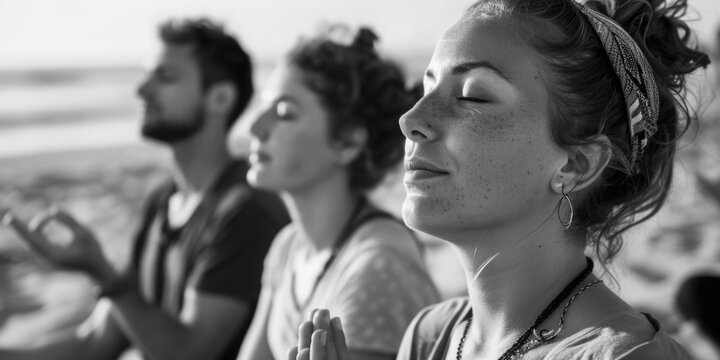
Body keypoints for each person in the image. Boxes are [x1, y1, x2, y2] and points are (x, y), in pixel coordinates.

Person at [290, 0, 710, 359]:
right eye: (426, 87)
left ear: (577, 164)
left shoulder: (627, 357)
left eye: (472, 95)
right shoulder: (432, 336)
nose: (411, 119)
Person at [0, 18, 288, 360]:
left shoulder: (245, 212)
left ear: (220, 97)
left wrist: (102, 272)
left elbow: (189, 353)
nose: (142, 90)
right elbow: (96, 343)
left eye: (165, 78)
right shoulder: (161, 200)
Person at [236, 26, 440, 360]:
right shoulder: (289, 248)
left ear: (347, 142)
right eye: (262, 106)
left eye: (285, 112)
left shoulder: (379, 267)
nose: (255, 126)